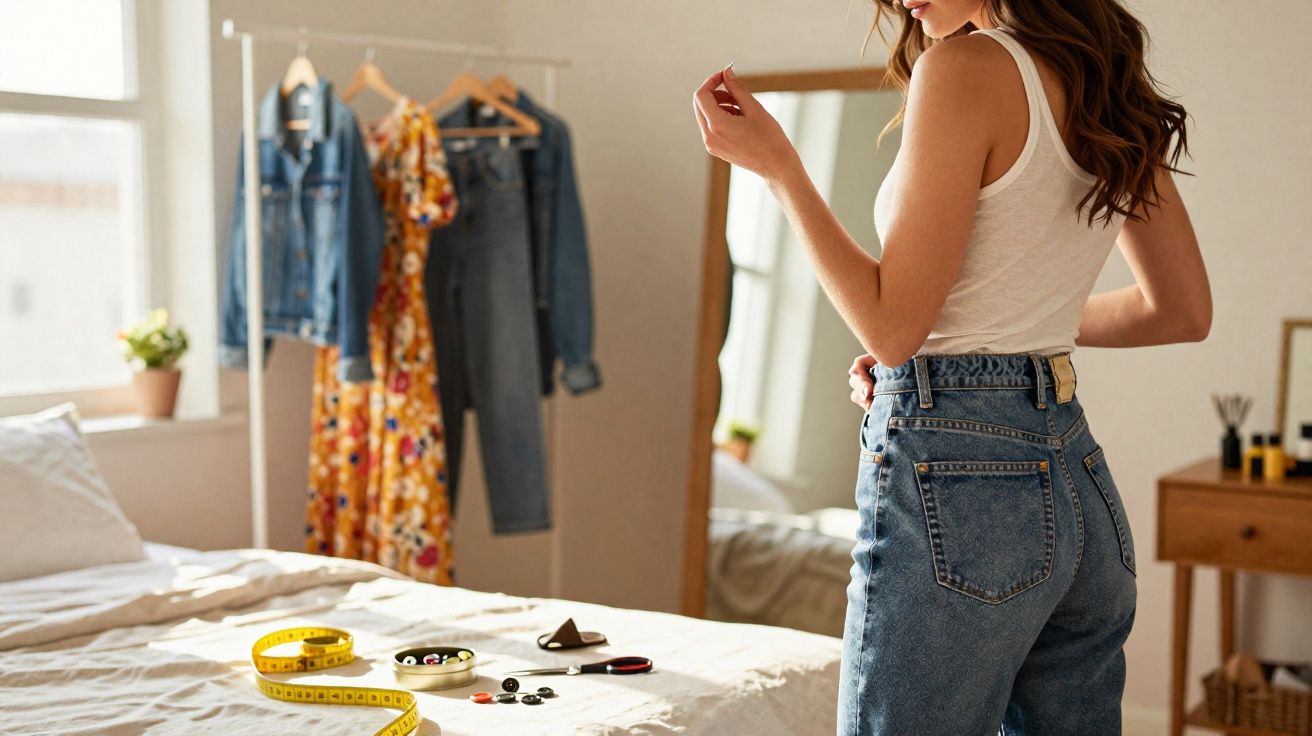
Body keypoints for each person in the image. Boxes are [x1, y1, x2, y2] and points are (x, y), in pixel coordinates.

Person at [692, 0, 1211, 733]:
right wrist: (998, 334)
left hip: (961, 473)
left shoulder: (964, 67)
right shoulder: (1104, 81)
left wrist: (779, 168)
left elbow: (892, 329)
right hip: (1079, 483)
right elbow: (1182, 310)